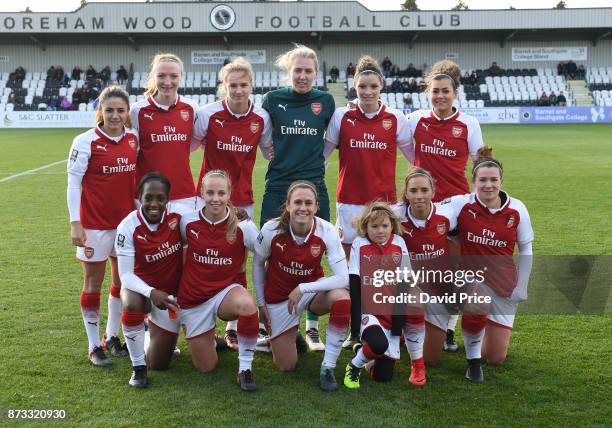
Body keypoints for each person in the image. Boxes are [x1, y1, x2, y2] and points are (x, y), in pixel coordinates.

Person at [324, 55, 413, 347]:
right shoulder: (342, 117)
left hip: (383, 207)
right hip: (348, 203)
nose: (368, 91)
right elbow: (323, 155)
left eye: (373, 86)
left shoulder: (395, 119)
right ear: (354, 86)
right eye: (362, 86)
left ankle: (383, 326)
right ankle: (355, 328)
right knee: (353, 272)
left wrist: (413, 192)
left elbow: (414, 158)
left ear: (381, 87)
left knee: (383, 272)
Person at [192, 57, 272, 350]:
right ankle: (204, 323)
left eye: (243, 85)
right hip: (207, 200)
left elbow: (269, 150)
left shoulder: (261, 118)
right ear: (223, 86)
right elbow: (189, 146)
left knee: (238, 259)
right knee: (202, 258)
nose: (238, 90)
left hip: (242, 201)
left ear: (251, 86)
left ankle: (233, 327)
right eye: (232, 85)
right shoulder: (208, 114)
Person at [259, 44, 335, 352]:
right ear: (289, 72)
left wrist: (317, 161)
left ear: (316, 73)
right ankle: (270, 323)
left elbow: (329, 140)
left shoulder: (325, 102)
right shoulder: (272, 100)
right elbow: (264, 139)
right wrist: (272, 155)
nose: (302, 76)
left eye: (307, 71)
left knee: (314, 253)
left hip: (313, 186)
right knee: (270, 255)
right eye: (297, 71)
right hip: (278, 186)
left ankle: (312, 328)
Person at [444, 146, 534, 383]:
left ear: (501, 181)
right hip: (469, 279)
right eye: (482, 180)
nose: (488, 185)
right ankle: (472, 362)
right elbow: (428, 213)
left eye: (494, 180)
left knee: (495, 358)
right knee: (477, 302)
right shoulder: (459, 203)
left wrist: (521, 287)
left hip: (503, 285)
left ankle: (476, 331)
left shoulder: (518, 208)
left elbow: (526, 249)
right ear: (473, 181)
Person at [253, 180, 350, 391]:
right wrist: (261, 303)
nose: (303, 208)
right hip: (280, 298)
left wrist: (303, 288)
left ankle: (328, 366)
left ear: (316, 206)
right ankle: (289, 334)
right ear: (287, 205)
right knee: (286, 366)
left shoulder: (326, 230)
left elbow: (344, 277)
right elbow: (258, 265)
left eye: (308, 203)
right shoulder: (271, 229)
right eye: (297, 202)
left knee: (342, 298)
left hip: (311, 291)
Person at [66, 86, 138, 366]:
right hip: (94, 226)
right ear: (100, 111)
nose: (115, 115)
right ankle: (94, 345)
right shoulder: (85, 141)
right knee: (93, 283)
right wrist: (76, 223)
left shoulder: (133, 139)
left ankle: (112, 337)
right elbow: (73, 184)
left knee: (121, 283)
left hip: (125, 227)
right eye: (109, 110)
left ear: (127, 112)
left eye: (121, 110)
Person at [179, 170, 260, 391]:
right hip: (194, 299)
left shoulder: (243, 225)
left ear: (229, 194)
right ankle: (210, 338)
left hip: (225, 292)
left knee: (246, 304)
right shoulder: (187, 221)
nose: (216, 198)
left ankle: (245, 368)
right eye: (211, 192)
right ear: (202, 193)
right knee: (206, 366)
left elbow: (265, 252)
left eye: (221, 193)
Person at [344, 202, 426, 389]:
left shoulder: (399, 242)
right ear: (366, 227)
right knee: (379, 344)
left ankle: (366, 353)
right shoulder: (360, 243)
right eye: (374, 226)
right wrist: (355, 323)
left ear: (392, 226)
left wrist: (398, 322)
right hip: (369, 312)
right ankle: (354, 366)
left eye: (385, 226)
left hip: (391, 312)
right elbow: (355, 283)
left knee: (383, 376)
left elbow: (404, 283)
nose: (380, 231)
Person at [115, 172, 183, 388]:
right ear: (140, 198)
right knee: (131, 303)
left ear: (167, 199)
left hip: (170, 296)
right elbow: (125, 276)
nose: (154, 203)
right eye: (148, 198)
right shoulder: (127, 226)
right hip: (143, 292)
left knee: (160, 364)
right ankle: (138, 368)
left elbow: (209, 218)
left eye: (160, 198)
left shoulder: (179, 218)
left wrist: (234, 213)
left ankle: (147, 332)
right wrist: (151, 292)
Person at [395, 168, 461, 364]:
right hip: (409, 285)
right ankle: (396, 326)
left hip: (437, 286)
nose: (419, 196)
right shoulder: (395, 215)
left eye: (424, 190)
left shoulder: (448, 214)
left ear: (433, 191)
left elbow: (456, 241)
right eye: (413, 191)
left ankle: (447, 327)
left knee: (430, 359)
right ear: (406, 193)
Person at [130, 53, 200, 211]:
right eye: (161, 76)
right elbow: (132, 150)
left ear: (181, 77)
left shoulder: (191, 108)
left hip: (184, 194)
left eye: (173, 76)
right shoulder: (137, 110)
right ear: (153, 77)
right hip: (147, 194)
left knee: (181, 236)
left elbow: (195, 142)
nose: (167, 82)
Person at [407, 60, 484, 203]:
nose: (440, 96)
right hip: (423, 202)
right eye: (435, 91)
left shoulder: (470, 124)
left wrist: (476, 198)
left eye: (446, 91)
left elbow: (480, 165)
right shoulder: (415, 119)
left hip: (457, 201)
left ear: (455, 94)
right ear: (428, 93)